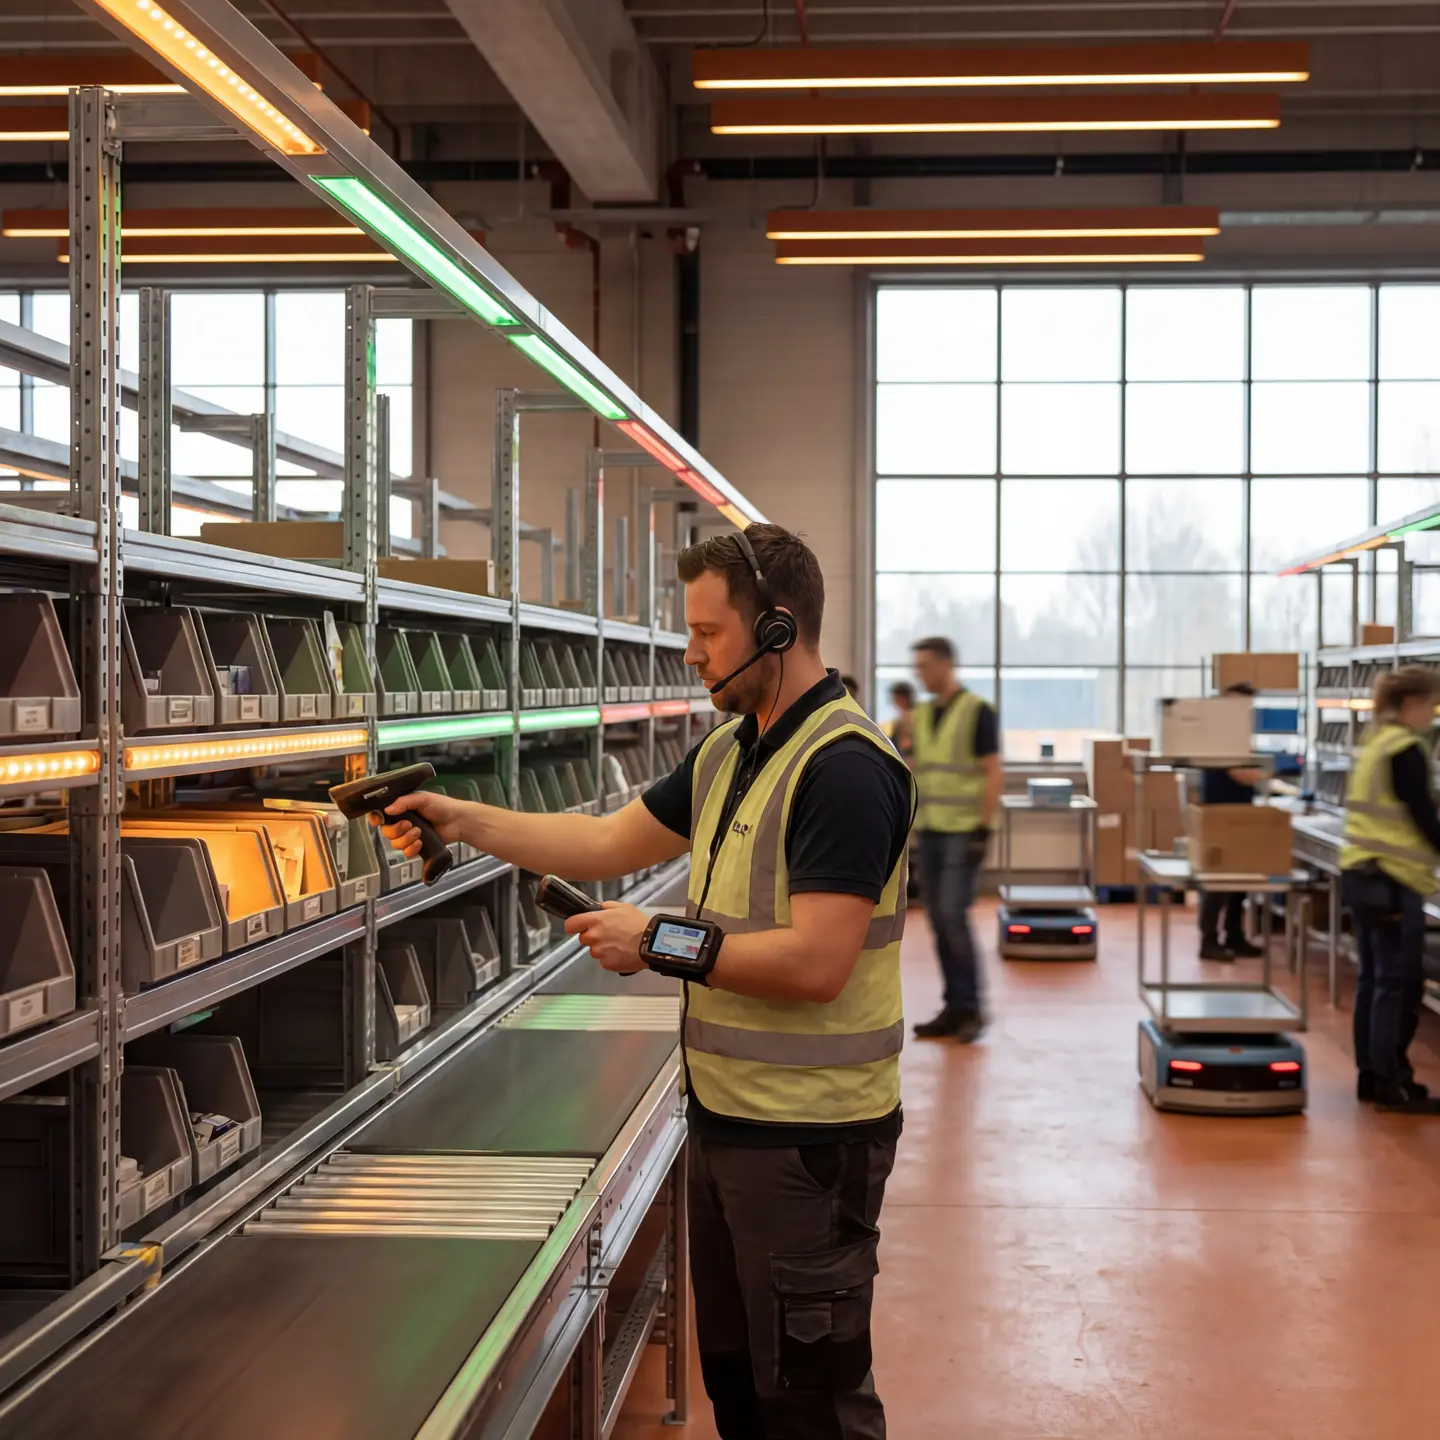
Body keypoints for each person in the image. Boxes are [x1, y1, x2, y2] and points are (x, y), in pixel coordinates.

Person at [379, 523, 914, 1437]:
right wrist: (461, 818)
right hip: (728, 1119)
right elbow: (602, 841)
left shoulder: (845, 770)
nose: (691, 653)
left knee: (811, 1405)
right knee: (743, 1389)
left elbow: (818, 963)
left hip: (812, 1140)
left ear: (777, 630)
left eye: (708, 633)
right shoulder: (731, 752)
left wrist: (657, 941)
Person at [1340, 666, 1440, 1114]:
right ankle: (1391, 1082)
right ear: (1412, 704)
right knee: (1398, 984)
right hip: (1392, 879)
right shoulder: (1404, 748)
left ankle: (1372, 1076)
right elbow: (1423, 818)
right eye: (1432, 705)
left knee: (1375, 980)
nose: (1433, 714)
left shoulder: (1375, 742)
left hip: (1365, 873)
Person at [908, 637, 1002, 1042]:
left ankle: (971, 1007)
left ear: (947, 664)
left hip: (963, 832)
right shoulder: (921, 714)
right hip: (930, 830)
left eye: (925, 666)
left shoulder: (977, 711)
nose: (919, 674)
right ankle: (953, 1007)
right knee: (938, 919)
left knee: (952, 915)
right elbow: (917, 766)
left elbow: (993, 771)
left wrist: (983, 828)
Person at [1197, 682, 1268, 961]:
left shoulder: (1238, 736)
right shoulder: (1221, 737)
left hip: (1240, 815)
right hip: (1220, 816)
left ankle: (1234, 935)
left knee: (1239, 881)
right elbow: (1245, 774)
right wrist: (1265, 771)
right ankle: (1208, 940)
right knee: (1217, 882)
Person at [885, 680, 916, 760]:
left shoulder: (910, 717)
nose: (894, 702)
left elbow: (905, 744)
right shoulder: (902, 718)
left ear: (902, 698)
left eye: (895, 698)